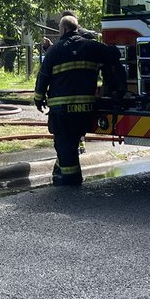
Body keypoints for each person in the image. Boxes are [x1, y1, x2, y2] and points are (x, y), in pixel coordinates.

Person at [33, 15, 124, 186]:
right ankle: (62, 172)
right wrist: (114, 88)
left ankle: (70, 180)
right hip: (86, 109)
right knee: (72, 142)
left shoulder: (55, 51)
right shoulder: (92, 47)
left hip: (62, 110)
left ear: (64, 29)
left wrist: (39, 100)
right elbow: (114, 54)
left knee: (64, 144)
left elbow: (43, 77)